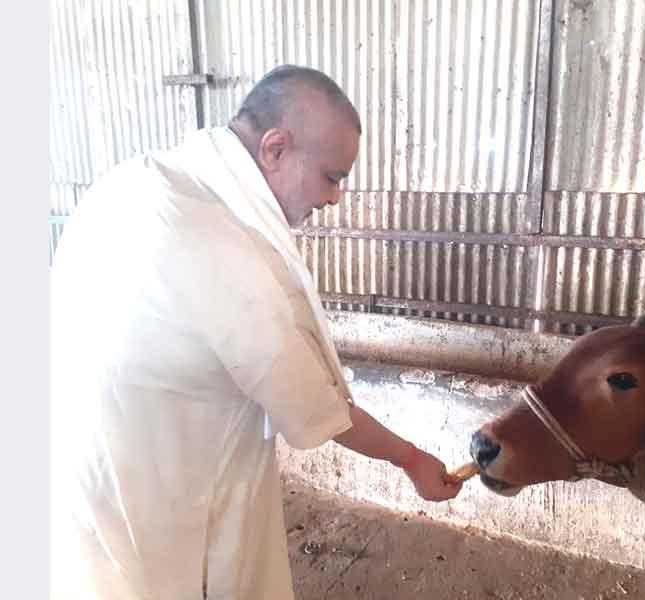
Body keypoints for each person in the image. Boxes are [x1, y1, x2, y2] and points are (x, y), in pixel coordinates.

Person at [50, 65, 463, 600]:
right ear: (275, 149)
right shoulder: (216, 243)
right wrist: (410, 460)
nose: (335, 197)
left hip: (86, 470)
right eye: (332, 176)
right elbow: (315, 404)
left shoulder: (138, 180)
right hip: (153, 496)